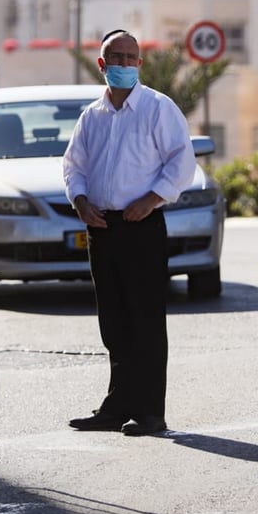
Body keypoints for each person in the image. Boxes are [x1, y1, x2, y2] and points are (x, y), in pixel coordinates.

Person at [62, 29, 196, 436]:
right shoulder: (92, 116)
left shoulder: (158, 108)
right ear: (101, 65)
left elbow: (181, 161)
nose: (122, 64)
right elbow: (74, 166)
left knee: (146, 320)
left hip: (142, 227)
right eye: (114, 58)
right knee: (114, 322)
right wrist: (80, 201)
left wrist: (153, 198)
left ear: (140, 64)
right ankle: (116, 406)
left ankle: (150, 412)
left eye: (129, 57)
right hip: (102, 228)